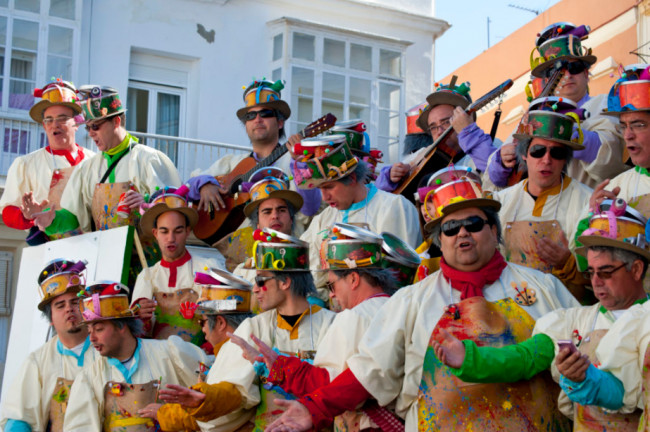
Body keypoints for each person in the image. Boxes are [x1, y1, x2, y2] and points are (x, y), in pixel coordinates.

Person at [265, 175, 580, 431]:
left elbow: (582, 354)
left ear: (494, 229)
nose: (462, 234)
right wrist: (314, 407)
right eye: (450, 228)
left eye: (473, 223)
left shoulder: (544, 287)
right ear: (439, 241)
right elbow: (369, 371)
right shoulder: (412, 300)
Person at [432, 202, 649, 429]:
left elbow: (623, 394)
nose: (595, 282)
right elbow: (525, 358)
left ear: (635, 270)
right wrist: (469, 359)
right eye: (591, 272)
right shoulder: (572, 321)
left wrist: (586, 379)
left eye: (605, 272)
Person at [155, 230, 336, 431]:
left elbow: (340, 390)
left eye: (261, 281)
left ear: (285, 282)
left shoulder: (332, 325)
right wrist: (205, 400)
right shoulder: (253, 327)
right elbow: (236, 389)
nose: (255, 289)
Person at [230, 224, 402, 431]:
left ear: (354, 279)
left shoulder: (353, 316)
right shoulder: (398, 306)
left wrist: (280, 368)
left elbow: (330, 384)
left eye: (331, 285)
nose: (331, 295)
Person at [488, 22, 627, 189]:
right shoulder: (533, 115)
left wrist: (567, 132)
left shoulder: (603, 104)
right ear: (547, 80)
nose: (567, 75)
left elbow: (613, 158)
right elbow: (493, 179)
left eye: (574, 67)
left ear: (586, 74)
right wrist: (503, 160)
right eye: (557, 71)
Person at [31, 85, 181, 237]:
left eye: (95, 126)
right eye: (87, 128)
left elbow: (175, 210)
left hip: (145, 259)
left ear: (116, 121)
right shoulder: (86, 169)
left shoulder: (150, 160)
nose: (91, 133)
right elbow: (73, 216)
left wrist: (147, 204)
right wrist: (52, 221)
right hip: (103, 256)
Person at [63, 281, 208, 431]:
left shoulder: (170, 353)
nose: (92, 338)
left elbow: (212, 387)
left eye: (99, 329)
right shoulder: (89, 378)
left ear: (121, 327)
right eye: (89, 330)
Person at [187, 79, 320, 236]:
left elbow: (310, 208)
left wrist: (300, 163)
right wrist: (204, 185)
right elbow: (187, 187)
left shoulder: (294, 161)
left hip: (284, 251)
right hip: (234, 256)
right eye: (250, 115)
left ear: (280, 123)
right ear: (246, 125)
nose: (257, 119)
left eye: (265, 113)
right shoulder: (232, 162)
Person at [492, 98, 592, 299]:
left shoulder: (587, 201)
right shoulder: (500, 202)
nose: (547, 160)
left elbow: (600, 277)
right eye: (538, 151)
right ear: (525, 154)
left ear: (565, 159)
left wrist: (568, 263)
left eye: (556, 152)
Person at [296, 136, 421, 291]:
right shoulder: (323, 218)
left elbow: (401, 277)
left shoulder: (393, 207)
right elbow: (305, 269)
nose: (324, 197)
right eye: (320, 189)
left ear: (352, 178)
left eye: (329, 187)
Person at [138, 268, 255, 431]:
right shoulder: (230, 349)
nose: (202, 330)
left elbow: (223, 415)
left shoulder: (239, 349)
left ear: (220, 323)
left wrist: (169, 414)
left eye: (203, 322)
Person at [0, 259, 96, 432]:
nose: (69, 309)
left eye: (75, 302)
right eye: (60, 305)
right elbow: (18, 419)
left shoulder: (108, 349)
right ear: (51, 319)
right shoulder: (37, 362)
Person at [0, 79, 94, 243]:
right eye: (49, 120)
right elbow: (7, 212)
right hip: (49, 252)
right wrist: (26, 215)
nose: (54, 125)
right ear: (44, 126)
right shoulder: (26, 164)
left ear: (76, 123)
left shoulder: (94, 161)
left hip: (94, 246)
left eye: (62, 118)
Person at [131, 185, 222, 343]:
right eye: (164, 231)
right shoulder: (147, 276)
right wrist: (140, 317)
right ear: (155, 234)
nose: (171, 238)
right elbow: (138, 334)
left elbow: (221, 323)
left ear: (187, 231)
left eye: (178, 231)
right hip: (159, 358)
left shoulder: (207, 268)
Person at [375, 78, 499, 192]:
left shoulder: (492, 144)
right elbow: (379, 188)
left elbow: (497, 173)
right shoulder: (423, 153)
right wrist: (391, 175)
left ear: (464, 118)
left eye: (446, 122)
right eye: (433, 127)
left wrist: (468, 133)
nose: (439, 131)